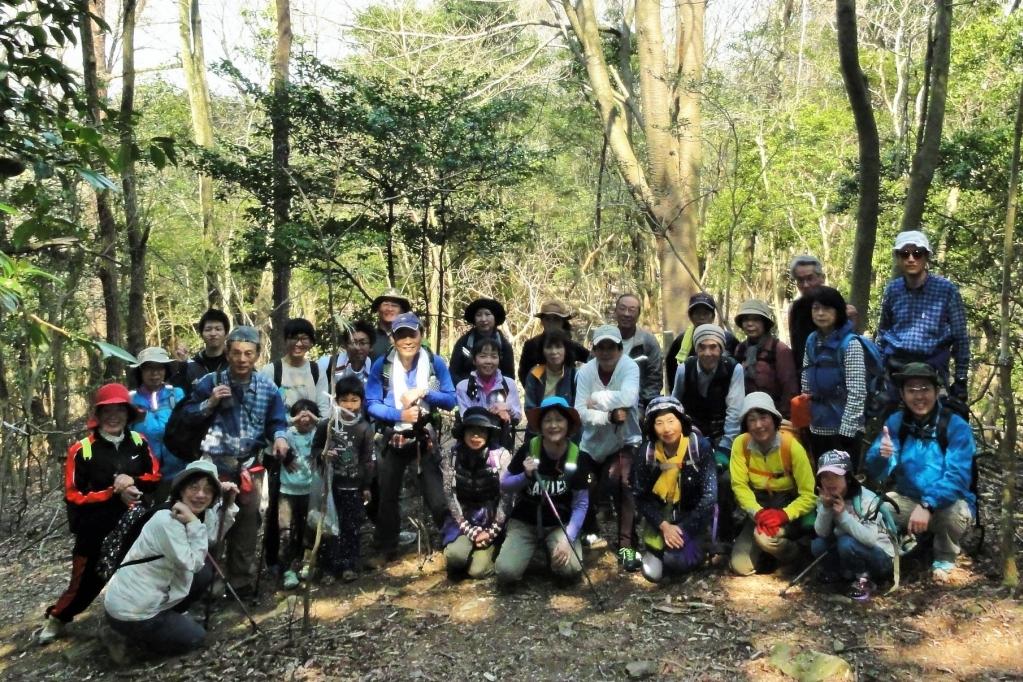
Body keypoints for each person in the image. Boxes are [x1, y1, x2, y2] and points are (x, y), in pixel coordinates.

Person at [38, 383, 161, 645]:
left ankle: (140, 619)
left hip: (134, 524)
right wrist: (112, 492)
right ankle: (58, 617)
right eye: (108, 410)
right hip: (94, 528)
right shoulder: (81, 449)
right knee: (84, 583)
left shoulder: (139, 442)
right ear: (98, 414)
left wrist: (132, 481)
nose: (114, 416)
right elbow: (73, 495)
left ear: (128, 413)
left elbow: (154, 477)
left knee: (141, 571)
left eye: (120, 409)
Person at [177, 325, 289, 596]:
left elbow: (277, 421)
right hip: (214, 467)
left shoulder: (267, 387)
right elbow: (186, 416)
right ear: (227, 353)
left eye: (248, 353)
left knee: (247, 525)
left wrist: (280, 437)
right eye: (236, 352)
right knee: (211, 525)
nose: (242, 359)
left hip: (250, 466)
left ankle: (240, 581)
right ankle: (204, 581)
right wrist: (210, 403)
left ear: (257, 355)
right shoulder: (210, 382)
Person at [103, 460, 239, 656]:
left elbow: (210, 538)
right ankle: (129, 643)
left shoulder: (188, 513)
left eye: (208, 490)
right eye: (194, 487)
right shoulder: (166, 519)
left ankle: (169, 619)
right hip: (132, 612)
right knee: (196, 638)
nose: (200, 495)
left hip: (146, 595)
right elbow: (193, 562)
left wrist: (229, 504)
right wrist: (193, 522)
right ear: (181, 489)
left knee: (204, 574)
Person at [864, 362, 975, 583]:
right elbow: (876, 473)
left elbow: (958, 477)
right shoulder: (897, 423)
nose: (919, 396)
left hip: (947, 503)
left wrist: (928, 504)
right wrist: (880, 456)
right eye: (911, 390)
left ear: (936, 391)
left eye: (924, 388)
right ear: (903, 395)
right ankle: (890, 552)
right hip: (909, 499)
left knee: (953, 515)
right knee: (872, 509)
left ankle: (944, 558)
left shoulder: (954, 426)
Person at [366, 312, 456, 562]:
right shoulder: (381, 365)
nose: (407, 340)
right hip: (392, 436)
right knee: (387, 496)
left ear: (421, 335)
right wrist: (400, 413)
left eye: (412, 334)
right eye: (401, 335)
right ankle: (387, 547)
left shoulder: (434, 364)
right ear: (392, 338)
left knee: (436, 494)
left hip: (424, 435)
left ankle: (451, 541)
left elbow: (450, 399)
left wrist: (425, 391)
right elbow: (371, 403)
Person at [258, 317, 331, 579]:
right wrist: (290, 422)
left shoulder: (316, 370)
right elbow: (264, 413)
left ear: (311, 342)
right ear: (285, 340)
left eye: (304, 339)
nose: (299, 343)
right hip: (276, 450)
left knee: (308, 506)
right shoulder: (271, 371)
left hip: (309, 450)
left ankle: (303, 557)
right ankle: (274, 559)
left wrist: (314, 422)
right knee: (278, 506)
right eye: (294, 338)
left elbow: (325, 410)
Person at [496, 397, 591, 585]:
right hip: (525, 521)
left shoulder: (578, 456)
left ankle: (551, 548)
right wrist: (525, 476)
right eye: (548, 420)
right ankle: (529, 550)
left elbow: (581, 503)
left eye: (559, 420)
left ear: (568, 424)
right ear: (540, 425)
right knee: (506, 572)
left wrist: (567, 539)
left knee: (570, 569)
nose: (553, 425)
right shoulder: (529, 449)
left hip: (559, 523)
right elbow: (504, 485)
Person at [575, 324, 642, 570]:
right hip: (592, 443)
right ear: (593, 350)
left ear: (620, 349)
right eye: (600, 347)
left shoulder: (629, 367)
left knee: (622, 483)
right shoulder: (585, 373)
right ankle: (588, 530)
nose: (605, 352)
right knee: (583, 483)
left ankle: (627, 543)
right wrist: (607, 416)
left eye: (611, 347)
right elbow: (579, 411)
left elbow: (629, 398)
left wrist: (596, 399)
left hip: (625, 440)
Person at [876, 230, 970, 401]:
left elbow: (960, 337)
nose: (911, 258)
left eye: (917, 253)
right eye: (905, 254)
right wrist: (878, 370)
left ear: (926, 257)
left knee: (937, 420)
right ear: (898, 258)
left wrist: (961, 379)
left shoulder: (946, 290)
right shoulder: (892, 289)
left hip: (932, 366)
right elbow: (883, 331)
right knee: (888, 419)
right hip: (897, 366)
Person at [729, 392, 816, 576]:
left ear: (774, 419)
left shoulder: (791, 446)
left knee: (765, 539)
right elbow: (740, 486)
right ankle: (769, 557)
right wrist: (757, 512)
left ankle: (795, 557)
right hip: (758, 507)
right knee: (740, 566)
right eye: (752, 420)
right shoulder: (740, 444)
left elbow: (809, 495)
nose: (758, 425)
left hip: (787, 505)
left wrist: (784, 515)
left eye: (763, 417)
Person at [632, 397, 716, 583]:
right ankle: (661, 552)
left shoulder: (699, 447)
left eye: (671, 421)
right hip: (661, 522)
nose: (666, 429)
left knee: (674, 562)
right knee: (651, 573)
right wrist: (664, 526)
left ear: (681, 421)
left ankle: (699, 550)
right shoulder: (648, 452)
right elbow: (640, 495)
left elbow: (709, 496)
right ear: (652, 427)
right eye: (659, 423)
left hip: (692, 521)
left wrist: (681, 529)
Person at [313, 376, 375, 582]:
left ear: (361, 402)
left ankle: (349, 565)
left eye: (354, 400)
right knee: (330, 527)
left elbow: (367, 460)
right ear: (336, 401)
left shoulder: (365, 428)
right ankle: (328, 568)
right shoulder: (327, 425)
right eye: (344, 400)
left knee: (351, 527)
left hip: (354, 487)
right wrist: (323, 455)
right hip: (330, 488)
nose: (349, 405)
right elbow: (314, 450)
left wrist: (366, 486)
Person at [440, 407, 513, 579]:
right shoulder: (451, 455)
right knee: (455, 557)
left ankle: (493, 550)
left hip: (493, 517)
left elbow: (507, 498)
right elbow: (450, 495)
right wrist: (470, 531)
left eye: (481, 431)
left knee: (477, 571)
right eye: (471, 431)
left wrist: (492, 532)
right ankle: (464, 548)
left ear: (488, 433)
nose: (475, 436)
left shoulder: (501, 456)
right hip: (463, 517)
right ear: (463, 432)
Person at [811, 450, 894, 601]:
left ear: (848, 477)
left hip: (880, 556)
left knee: (846, 543)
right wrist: (826, 508)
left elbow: (869, 539)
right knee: (818, 544)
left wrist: (843, 516)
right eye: (825, 476)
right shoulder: (824, 497)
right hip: (850, 551)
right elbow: (821, 532)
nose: (830, 482)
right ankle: (840, 574)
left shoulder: (867, 499)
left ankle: (865, 580)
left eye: (836, 476)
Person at [801, 286, 866, 461]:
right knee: (822, 477)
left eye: (827, 308)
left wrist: (847, 430)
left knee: (845, 480)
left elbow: (857, 391)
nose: (820, 313)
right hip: (818, 423)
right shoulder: (811, 340)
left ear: (838, 311)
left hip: (844, 427)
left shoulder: (851, 344)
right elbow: (806, 380)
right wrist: (805, 415)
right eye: (816, 308)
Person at [130, 347, 187, 501]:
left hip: (175, 472)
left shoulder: (177, 395)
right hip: (141, 474)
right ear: (140, 372)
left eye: (159, 368)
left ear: (166, 370)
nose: (154, 374)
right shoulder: (130, 400)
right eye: (149, 369)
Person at [278, 399, 320, 589]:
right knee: (286, 532)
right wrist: (292, 419)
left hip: (311, 491)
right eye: (300, 414)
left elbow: (332, 430)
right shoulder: (286, 434)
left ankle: (306, 564)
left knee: (309, 529)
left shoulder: (317, 435)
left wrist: (315, 419)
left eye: (308, 414)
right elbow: (274, 434)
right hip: (288, 491)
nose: (304, 419)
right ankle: (288, 569)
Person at [733, 300, 798, 419]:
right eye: (746, 320)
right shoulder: (740, 349)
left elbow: (790, 388)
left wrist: (782, 418)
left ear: (765, 323)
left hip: (774, 414)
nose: (750, 324)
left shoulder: (779, 349)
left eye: (756, 320)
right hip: (746, 414)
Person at [455, 338, 522, 450]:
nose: (488, 361)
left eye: (493, 356)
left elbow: (518, 417)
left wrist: (508, 409)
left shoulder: (508, 384)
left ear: (499, 360)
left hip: (501, 444)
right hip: (473, 442)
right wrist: (494, 415)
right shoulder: (463, 387)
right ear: (474, 360)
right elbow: (465, 417)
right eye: (483, 356)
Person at [666, 292, 738, 393]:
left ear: (713, 317)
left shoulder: (728, 339)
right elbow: (672, 371)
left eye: (705, 313)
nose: (701, 317)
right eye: (697, 313)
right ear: (691, 317)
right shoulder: (681, 341)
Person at [517, 299, 589, 385]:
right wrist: (534, 392)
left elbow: (593, 360)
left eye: (556, 319)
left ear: (562, 322)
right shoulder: (531, 345)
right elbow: (523, 373)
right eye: (547, 319)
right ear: (542, 321)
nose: (551, 323)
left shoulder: (571, 346)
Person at [613, 293, 663, 411]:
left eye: (632, 310)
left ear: (638, 314)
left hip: (638, 404)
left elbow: (654, 379)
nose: (626, 313)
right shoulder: (605, 339)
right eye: (622, 308)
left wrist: (643, 408)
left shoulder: (648, 342)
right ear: (615, 311)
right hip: (607, 402)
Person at [449, 298, 515, 386]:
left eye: (488, 314)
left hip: (497, 392)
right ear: (474, 319)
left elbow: (509, 376)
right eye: (479, 315)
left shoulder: (504, 345)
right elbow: (453, 372)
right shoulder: (464, 342)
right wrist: (466, 387)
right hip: (466, 390)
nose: (483, 319)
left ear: (495, 317)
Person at [169, 309, 231, 395]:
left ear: (226, 333)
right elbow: (178, 396)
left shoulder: (235, 363)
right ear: (201, 334)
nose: (213, 333)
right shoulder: (192, 365)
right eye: (208, 329)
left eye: (218, 329)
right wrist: (181, 366)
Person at [523, 329, 579, 416]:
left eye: (558, 346)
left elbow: (577, 411)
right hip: (539, 425)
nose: (554, 352)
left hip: (567, 426)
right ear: (542, 351)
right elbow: (530, 409)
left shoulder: (574, 375)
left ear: (566, 349)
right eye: (549, 347)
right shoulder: (535, 374)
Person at [787, 255, 826, 372]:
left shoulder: (836, 304)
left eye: (810, 278)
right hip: (805, 373)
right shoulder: (795, 308)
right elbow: (796, 347)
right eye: (800, 280)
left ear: (822, 278)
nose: (805, 285)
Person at [318, 320, 376, 388]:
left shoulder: (374, 370)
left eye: (362, 343)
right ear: (345, 345)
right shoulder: (326, 364)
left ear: (371, 346)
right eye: (353, 343)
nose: (357, 348)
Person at [370, 288, 412, 359]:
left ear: (402, 311)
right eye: (385, 304)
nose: (389, 309)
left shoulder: (410, 337)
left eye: (394, 305)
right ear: (378, 309)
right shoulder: (368, 337)